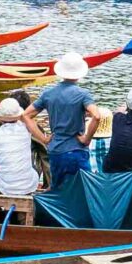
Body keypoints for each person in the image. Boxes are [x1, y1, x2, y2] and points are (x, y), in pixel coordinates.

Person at [30, 53, 96, 187]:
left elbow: (26, 116)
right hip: (77, 150)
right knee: (86, 189)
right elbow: (97, 116)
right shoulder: (83, 95)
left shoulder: (48, 94)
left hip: (56, 151)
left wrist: (43, 138)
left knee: (58, 190)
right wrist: (87, 138)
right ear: (79, 74)